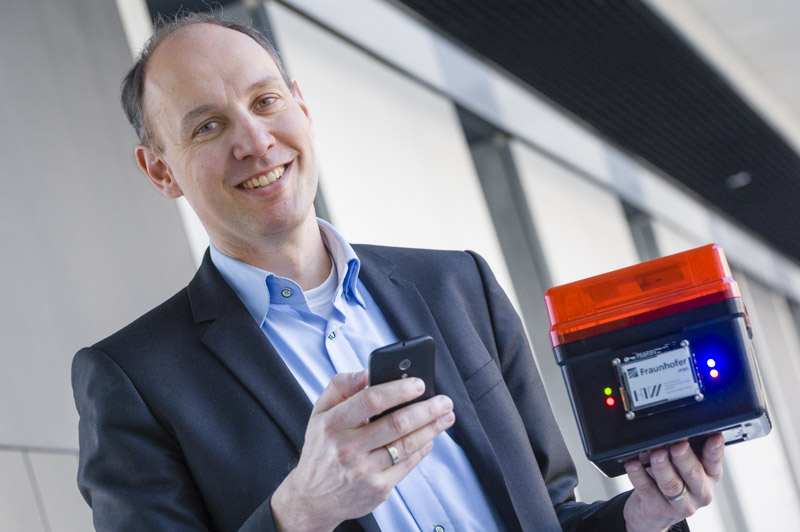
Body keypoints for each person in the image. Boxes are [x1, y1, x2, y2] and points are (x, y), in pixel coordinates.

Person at [72, 13, 724, 532]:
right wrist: (299, 513)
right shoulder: (134, 381)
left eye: (265, 101)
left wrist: (646, 514)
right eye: (208, 125)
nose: (254, 141)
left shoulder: (459, 287)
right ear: (160, 171)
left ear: (301, 107)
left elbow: (552, 513)